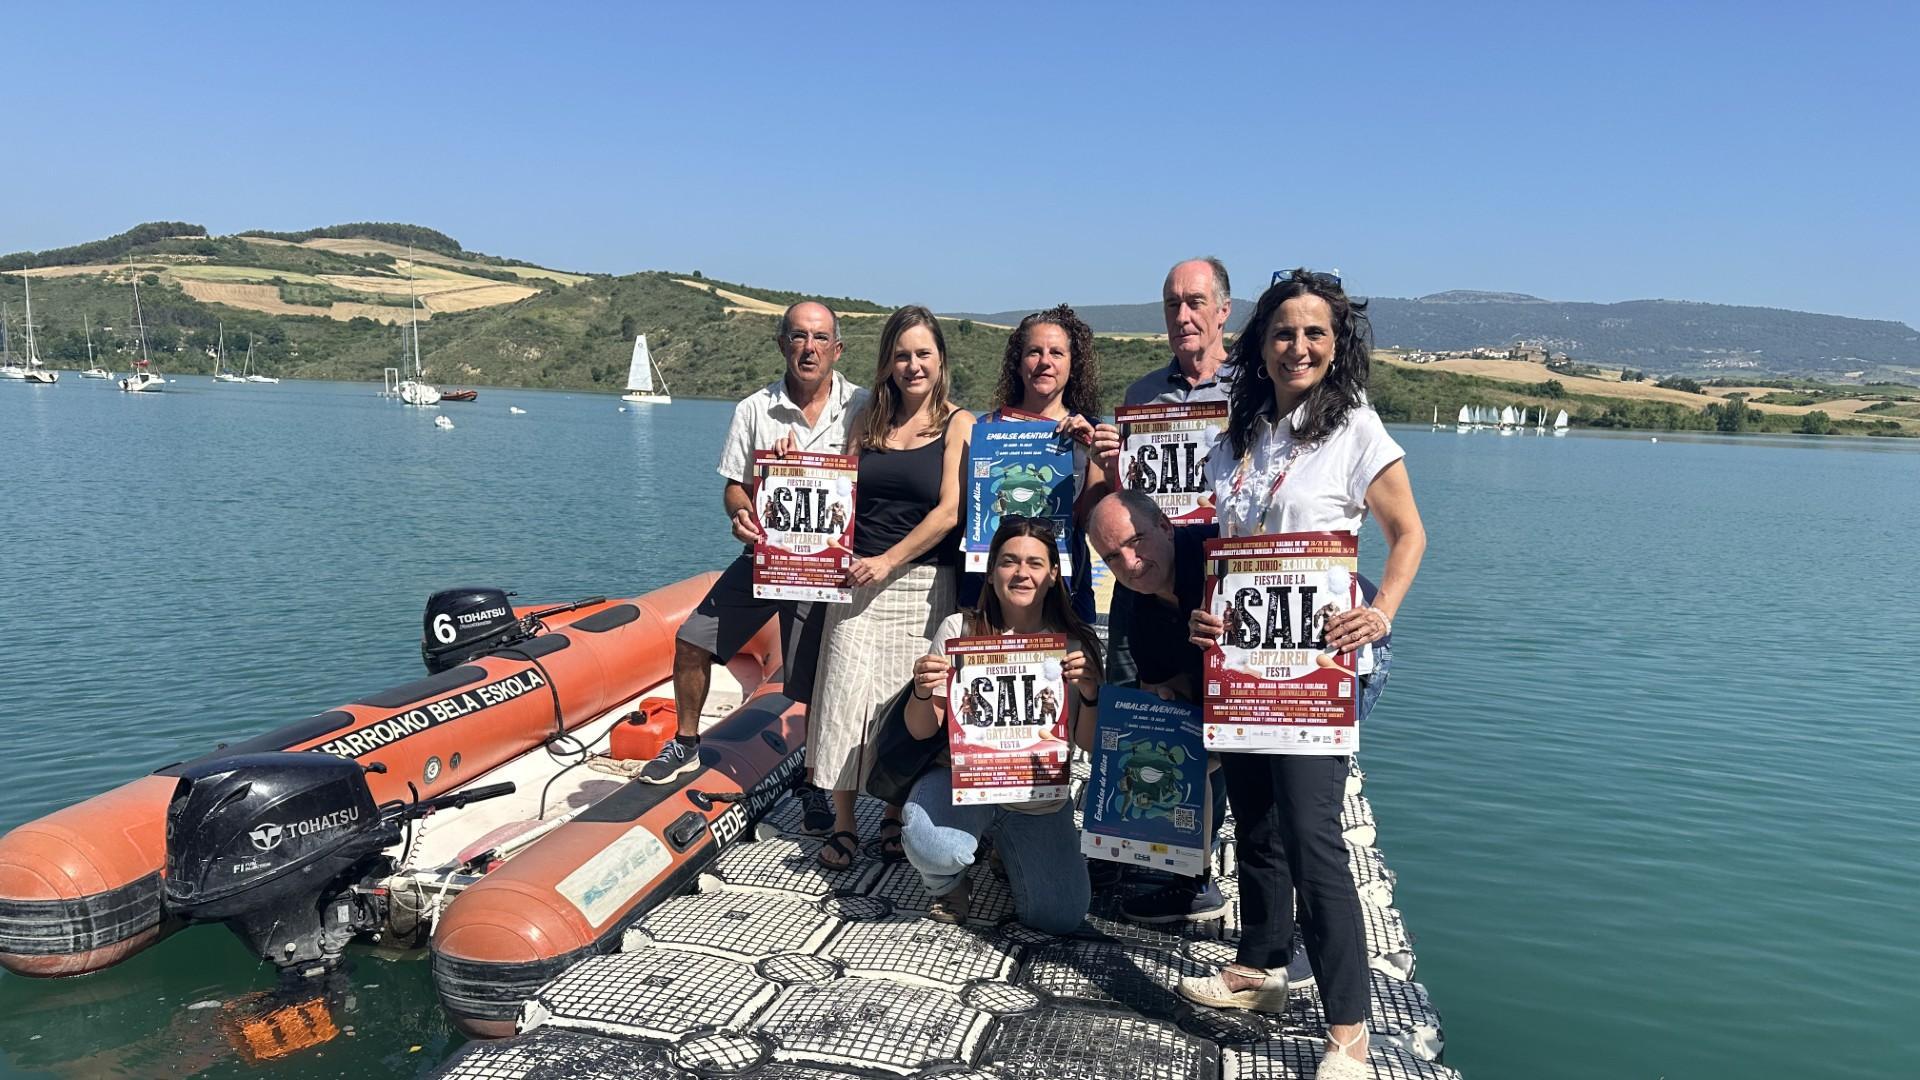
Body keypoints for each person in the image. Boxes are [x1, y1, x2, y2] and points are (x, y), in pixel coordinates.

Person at [1182, 269, 1427, 1080]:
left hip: (1316, 670)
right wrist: (1208, 613)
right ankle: (1262, 969)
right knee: (1252, 820)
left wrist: (1381, 610)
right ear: (1261, 343)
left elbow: (1408, 534)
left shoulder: (1355, 426)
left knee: (1313, 837)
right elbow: (1231, 550)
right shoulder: (1240, 432)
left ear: (1337, 343)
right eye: (1284, 332)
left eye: (1314, 332)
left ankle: (1348, 1032)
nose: (1298, 346)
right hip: (1244, 662)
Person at [639, 302, 865, 839]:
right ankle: (687, 742)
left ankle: (815, 780)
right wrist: (741, 512)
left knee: (814, 678)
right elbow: (734, 486)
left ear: (837, 348)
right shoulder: (753, 409)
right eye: (797, 337)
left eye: (819, 338)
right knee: (693, 640)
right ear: (781, 343)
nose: (808, 348)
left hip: (828, 567)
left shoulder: (863, 405)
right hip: (766, 556)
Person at [807, 305, 973, 871]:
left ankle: (896, 815)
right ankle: (845, 821)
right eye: (901, 355)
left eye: (923, 353)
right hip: (856, 579)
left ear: (940, 360)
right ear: (886, 363)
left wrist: (889, 560)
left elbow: (950, 512)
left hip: (924, 583)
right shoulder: (866, 422)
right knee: (843, 698)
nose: (912, 365)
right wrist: (790, 468)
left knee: (905, 703)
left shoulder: (959, 424)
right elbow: (832, 488)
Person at [898, 517, 1102, 932]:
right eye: (1009, 562)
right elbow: (920, 731)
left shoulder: (1076, 643)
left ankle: (1003, 849)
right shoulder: (959, 629)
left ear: (1053, 576)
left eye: (1034, 563)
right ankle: (948, 883)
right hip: (962, 783)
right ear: (991, 573)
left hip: (1038, 796)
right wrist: (922, 690)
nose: (1021, 573)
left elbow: (1090, 743)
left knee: (1060, 916)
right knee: (934, 847)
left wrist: (1093, 691)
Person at [1088, 257, 1236, 686]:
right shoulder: (1143, 393)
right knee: (1134, 688)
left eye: (1195, 302)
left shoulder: (1253, 388)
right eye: (1173, 305)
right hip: (1148, 565)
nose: (1183, 316)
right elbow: (1129, 495)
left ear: (1223, 311)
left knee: (1218, 692)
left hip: (1217, 571)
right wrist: (1112, 463)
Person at [1082, 490, 1228, 925]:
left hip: (1336, 663)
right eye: (1111, 558)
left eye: (1135, 541)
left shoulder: (1217, 554)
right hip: (1225, 690)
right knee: (1168, 735)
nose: (1128, 563)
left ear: (1166, 525)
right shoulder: (1143, 606)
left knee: (1275, 795)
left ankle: (1283, 938)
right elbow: (1163, 689)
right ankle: (1189, 877)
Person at [980, 304, 1108, 622]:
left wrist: (1097, 456)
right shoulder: (987, 428)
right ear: (1018, 362)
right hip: (998, 589)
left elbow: (1091, 522)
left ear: (1072, 364)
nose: (1045, 362)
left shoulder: (1090, 430)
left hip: (1066, 584)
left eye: (1057, 353)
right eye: (1034, 352)